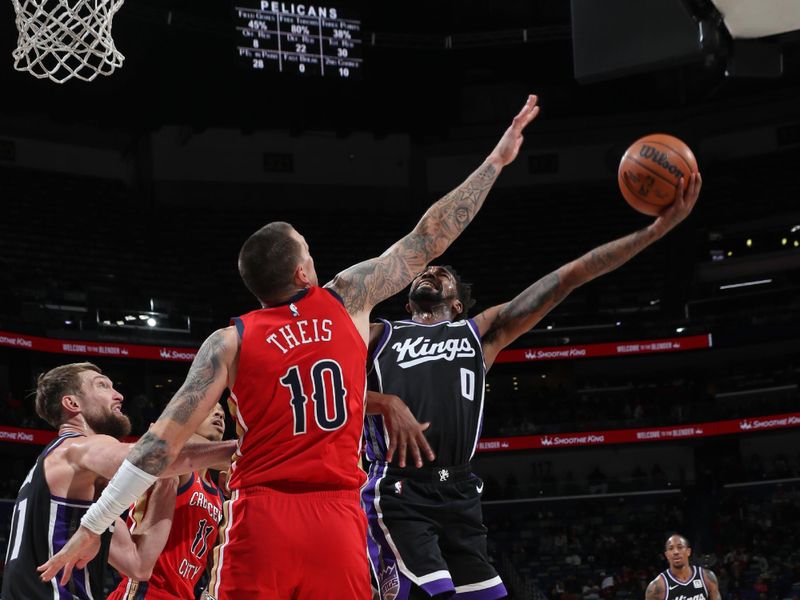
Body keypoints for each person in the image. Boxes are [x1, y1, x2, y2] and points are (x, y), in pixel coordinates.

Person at [39, 94, 542, 599]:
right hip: (338, 519)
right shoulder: (347, 299)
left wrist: (94, 525)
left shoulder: (229, 341)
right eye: (309, 249)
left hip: (263, 516)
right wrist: (495, 162)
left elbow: (157, 447)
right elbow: (429, 237)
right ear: (302, 271)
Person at [362, 172, 702, 599]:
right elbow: (326, 394)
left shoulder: (480, 333)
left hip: (460, 493)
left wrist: (654, 232)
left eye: (442, 272)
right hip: (399, 491)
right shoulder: (380, 333)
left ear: (458, 304)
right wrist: (384, 402)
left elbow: (569, 276)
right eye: (426, 271)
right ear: (409, 301)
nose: (431, 270)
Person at [2, 362, 236, 600]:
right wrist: (245, 450)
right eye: (102, 386)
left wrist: (168, 481)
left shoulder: (78, 484)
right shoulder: (75, 448)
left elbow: (138, 564)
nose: (119, 395)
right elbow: (152, 458)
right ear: (72, 404)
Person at [107, 402, 228, 600]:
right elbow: (165, 435)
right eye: (210, 410)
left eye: (223, 414)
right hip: (147, 591)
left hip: (184, 594)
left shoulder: (217, 494)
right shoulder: (176, 467)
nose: (219, 415)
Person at [645, 534, 721, 600]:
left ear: (688, 551)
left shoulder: (707, 577)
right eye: (671, 548)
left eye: (680, 547)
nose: (676, 552)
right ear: (667, 555)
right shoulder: (656, 587)